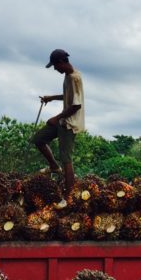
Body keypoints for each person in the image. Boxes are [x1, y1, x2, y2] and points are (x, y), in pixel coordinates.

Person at [33, 48, 85, 197]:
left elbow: (76, 106)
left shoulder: (75, 78)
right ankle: (54, 166)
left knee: (66, 160)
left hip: (69, 124)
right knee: (38, 139)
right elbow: (68, 96)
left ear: (62, 62)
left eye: (55, 65)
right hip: (62, 120)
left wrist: (56, 118)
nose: (55, 69)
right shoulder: (68, 76)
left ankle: (70, 197)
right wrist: (52, 97)